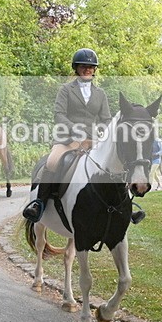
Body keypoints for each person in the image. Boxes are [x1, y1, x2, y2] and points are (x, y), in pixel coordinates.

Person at [22, 48, 112, 222]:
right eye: (83, 66)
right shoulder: (66, 90)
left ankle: (122, 207)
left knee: (113, 163)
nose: (87, 69)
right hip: (67, 138)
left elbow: (106, 118)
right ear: (76, 68)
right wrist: (74, 129)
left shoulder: (100, 94)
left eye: (91, 67)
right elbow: (59, 114)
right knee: (52, 161)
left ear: (95, 70)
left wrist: (103, 131)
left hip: (92, 140)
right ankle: (39, 204)